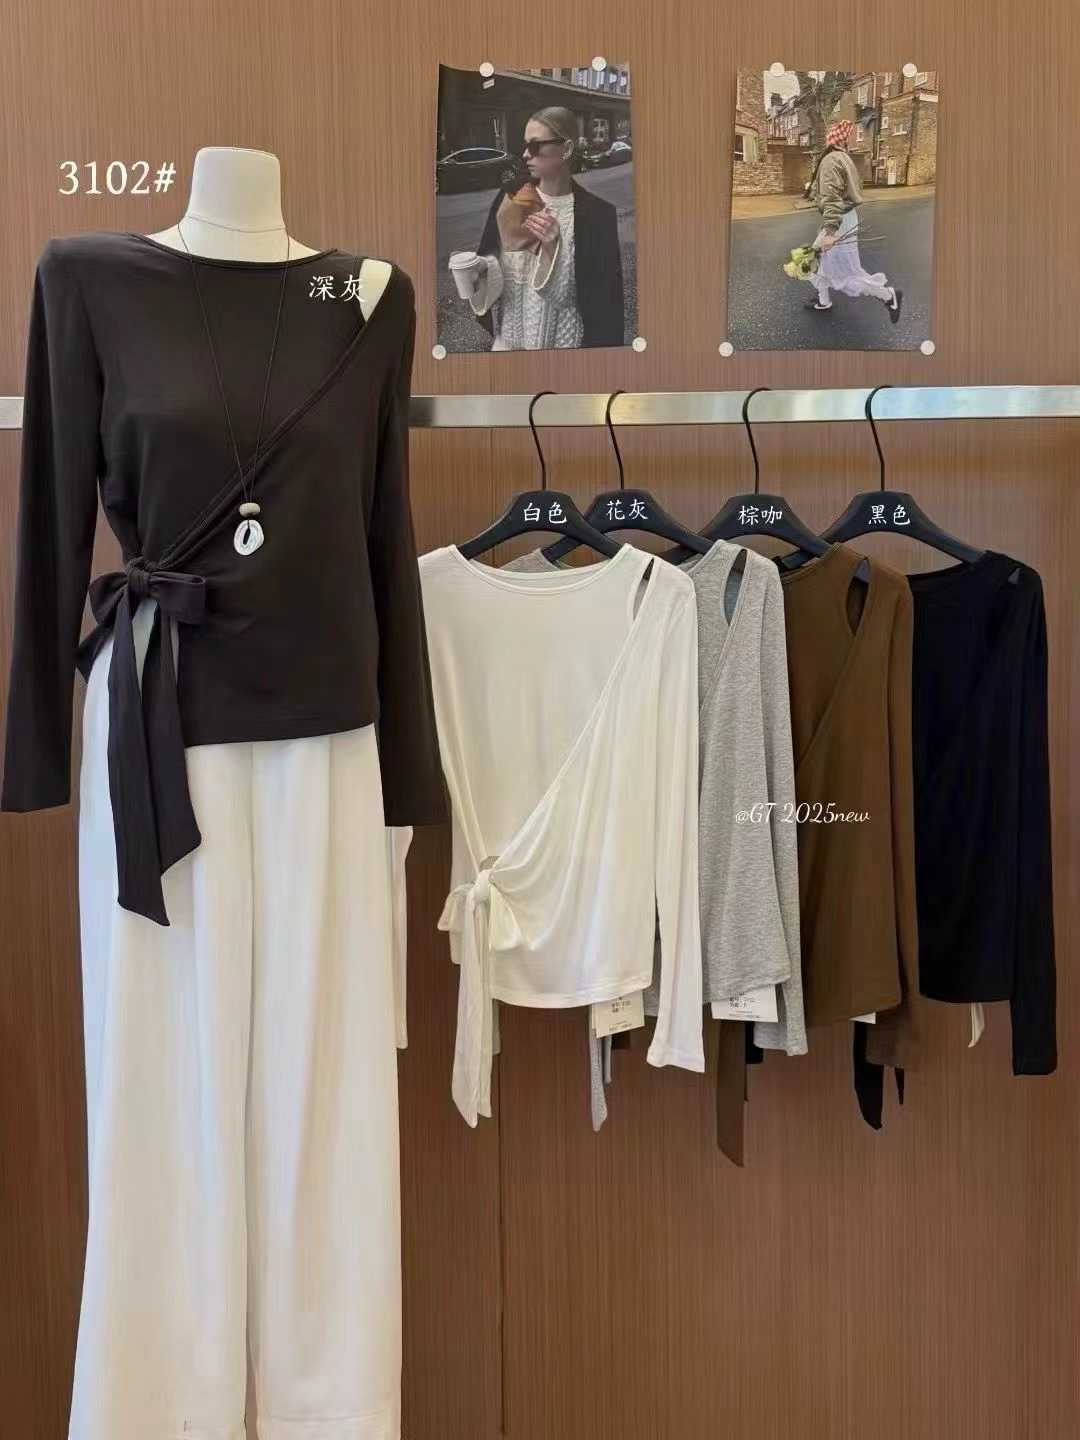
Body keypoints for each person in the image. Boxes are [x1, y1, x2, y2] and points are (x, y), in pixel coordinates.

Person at [463, 105, 624, 349]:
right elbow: (494, 273)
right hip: (507, 349)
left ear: (566, 149)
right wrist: (478, 271)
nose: (525, 154)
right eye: (525, 145)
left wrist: (552, 251)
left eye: (535, 146)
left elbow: (603, 306)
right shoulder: (511, 197)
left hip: (565, 355)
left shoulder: (598, 215)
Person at [803, 118, 903, 322]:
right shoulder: (844, 158)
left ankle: (889, 295)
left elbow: (832, 197)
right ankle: (823, 300)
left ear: (830, 140)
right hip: (845, 217)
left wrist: (830, 231)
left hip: (838, 220)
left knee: (845, 273)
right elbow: (844, 190)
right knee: (814, 260)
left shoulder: (831, 160)